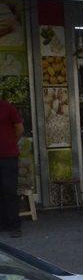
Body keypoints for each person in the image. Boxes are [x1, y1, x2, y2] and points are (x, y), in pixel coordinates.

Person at [0, 98, 24, 238]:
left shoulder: (8, 107)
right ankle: (3, 223)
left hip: (8, 156)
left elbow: (20, 129)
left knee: (9, 191)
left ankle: (15, 225)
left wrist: (10, 143)